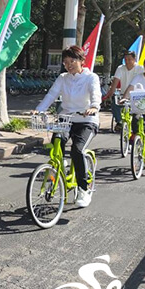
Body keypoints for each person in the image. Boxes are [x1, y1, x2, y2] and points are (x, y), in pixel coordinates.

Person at [34, 46, 101, 207]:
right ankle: (59, 168)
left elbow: (95, 94)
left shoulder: (91, 77)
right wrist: (39, 110)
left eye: (72, 61)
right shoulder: (63, 78)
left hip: (86, 120)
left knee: (77, 150)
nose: (69, 65)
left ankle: (84, 190)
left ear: (81, 61)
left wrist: (94, 107)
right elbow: (51, 94)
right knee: (56, 144)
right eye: (65, 62)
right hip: (66, 119)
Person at [102, 51, 144, 131]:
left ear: (134, 59)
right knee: (115, 102)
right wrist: (110, 94)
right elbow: (115, 82)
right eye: (125, 59)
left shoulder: (140, 69)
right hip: (123, 94)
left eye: (129, 59)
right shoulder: (120, 68)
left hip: (136, 95)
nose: (127, 62)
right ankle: (119, 122)